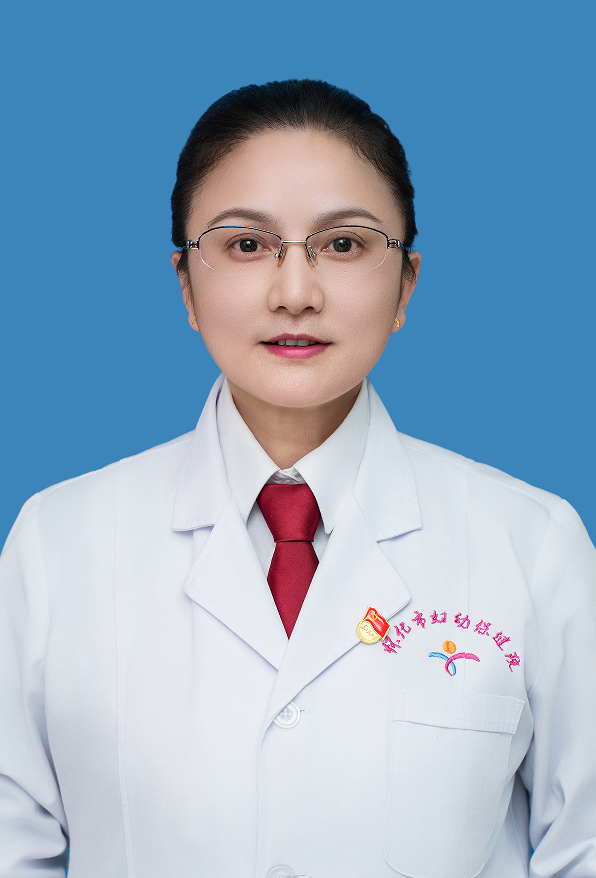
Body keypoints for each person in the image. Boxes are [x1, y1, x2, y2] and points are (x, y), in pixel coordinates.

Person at [0, 79, 595, 878]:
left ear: (405, 285)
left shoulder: (532, 544)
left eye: (343, 244)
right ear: (185, 283)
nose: (294, 294)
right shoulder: (59, 544)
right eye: (246, 245)